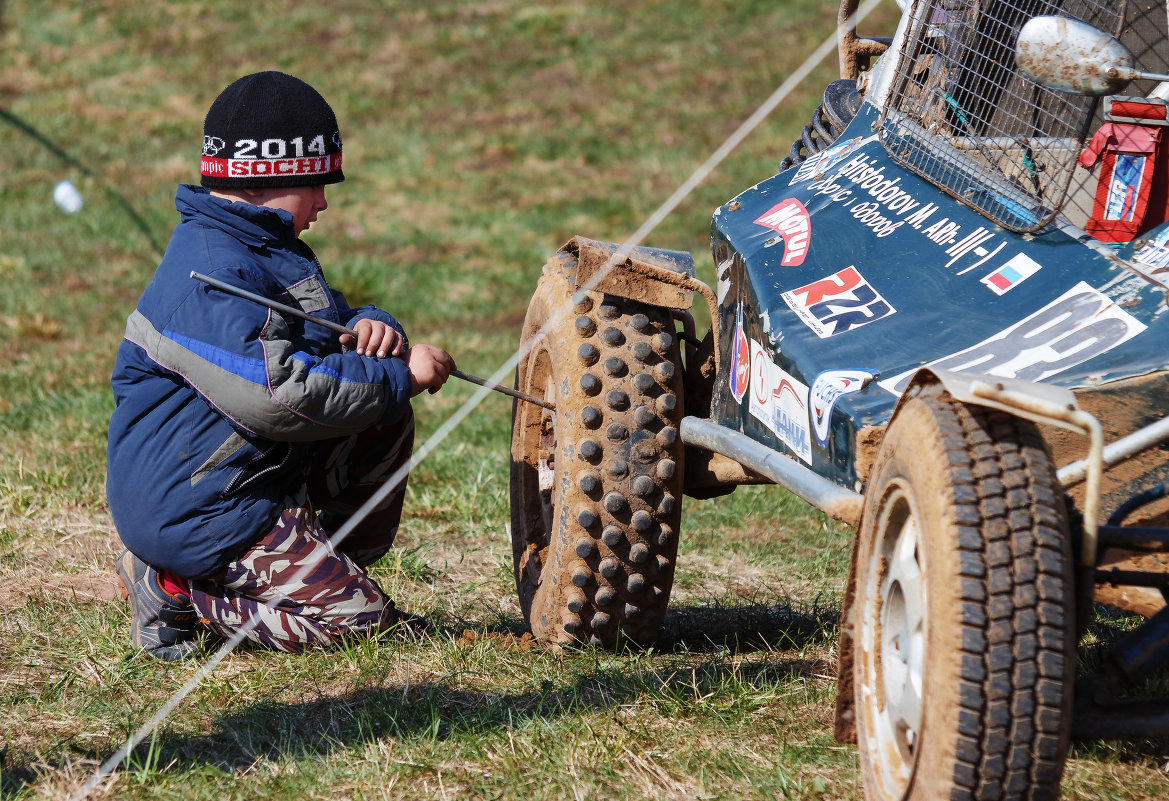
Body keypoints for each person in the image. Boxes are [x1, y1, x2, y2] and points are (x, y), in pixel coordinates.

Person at [107, 71, 455, 660]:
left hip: (248, 484)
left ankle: (316, 569)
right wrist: (402, 376)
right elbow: (275, 393)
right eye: (316, 184)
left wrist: (372, 329)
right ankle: (173, 587)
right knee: (363, 627)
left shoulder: (262, 247)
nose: (323, 201)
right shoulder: (210, 272)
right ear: (266, 176)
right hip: (200, 506)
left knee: (380, 404)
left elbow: (325, 330)